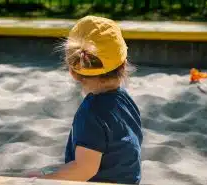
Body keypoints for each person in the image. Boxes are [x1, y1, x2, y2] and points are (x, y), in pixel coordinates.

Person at [27, 15, 143, 185]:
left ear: (73, 73)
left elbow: (84, 169)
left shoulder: (91, 113)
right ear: (124, 63)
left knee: (34, 177)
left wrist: (41, 180)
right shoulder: (126, 101)